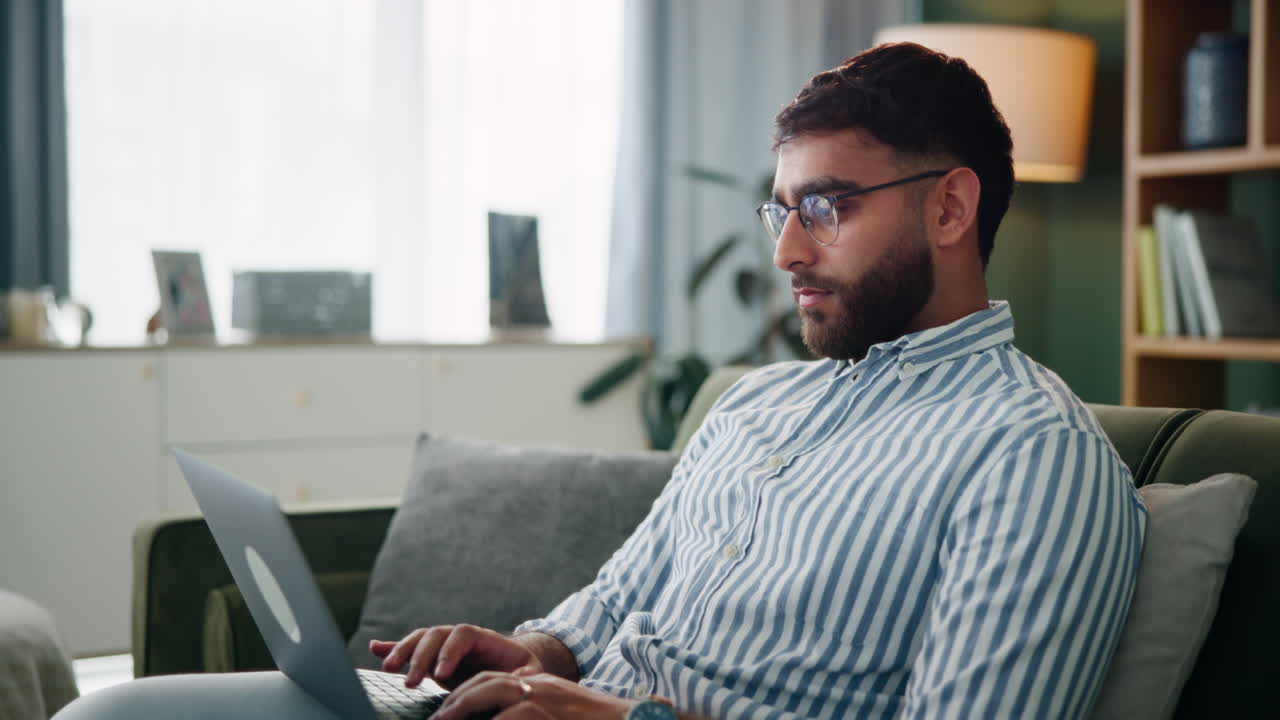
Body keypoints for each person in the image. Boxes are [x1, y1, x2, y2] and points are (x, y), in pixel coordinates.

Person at [55, 41, 1145, 720]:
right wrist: (535, 647)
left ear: (949, 209)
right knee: (116, 717)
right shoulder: (760, 401)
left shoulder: (1032, 459)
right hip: (529, 708)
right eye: (781, 210)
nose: (785, 254)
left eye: (826, 208)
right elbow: (624, 591)